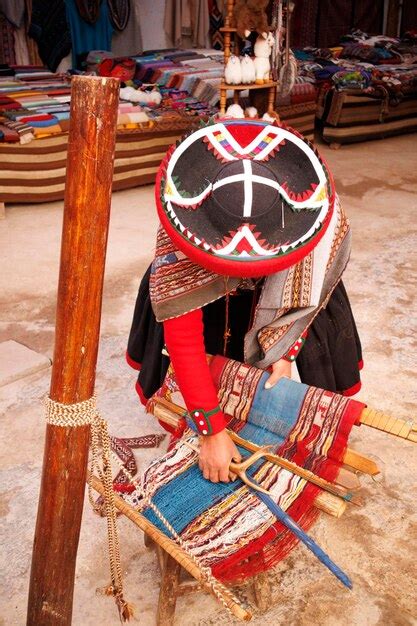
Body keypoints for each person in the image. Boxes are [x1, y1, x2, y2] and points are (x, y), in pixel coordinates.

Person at [127, 118, 362, 484]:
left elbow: (306, 296)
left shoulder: (312, 221)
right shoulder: (181, 236)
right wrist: (211, 432)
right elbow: (185, 340)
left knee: (298, 361)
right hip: (208, 302)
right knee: (201, 371)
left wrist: (284, 351)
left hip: (285, 295)